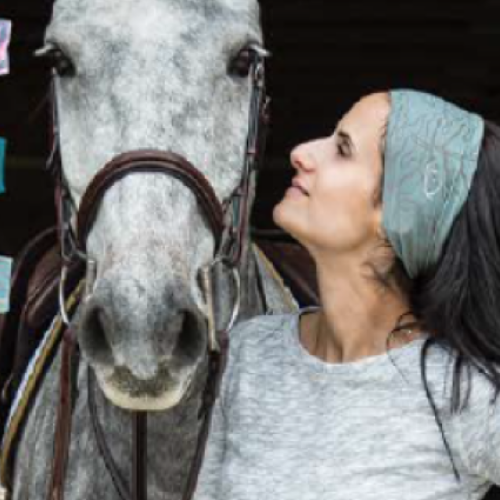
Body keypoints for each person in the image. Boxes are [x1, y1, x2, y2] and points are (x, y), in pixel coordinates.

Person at [192, 90, 500, 499]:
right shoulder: (250, 354)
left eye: (342, 149)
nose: (301, 152)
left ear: (398, 219)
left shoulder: (463, 391)